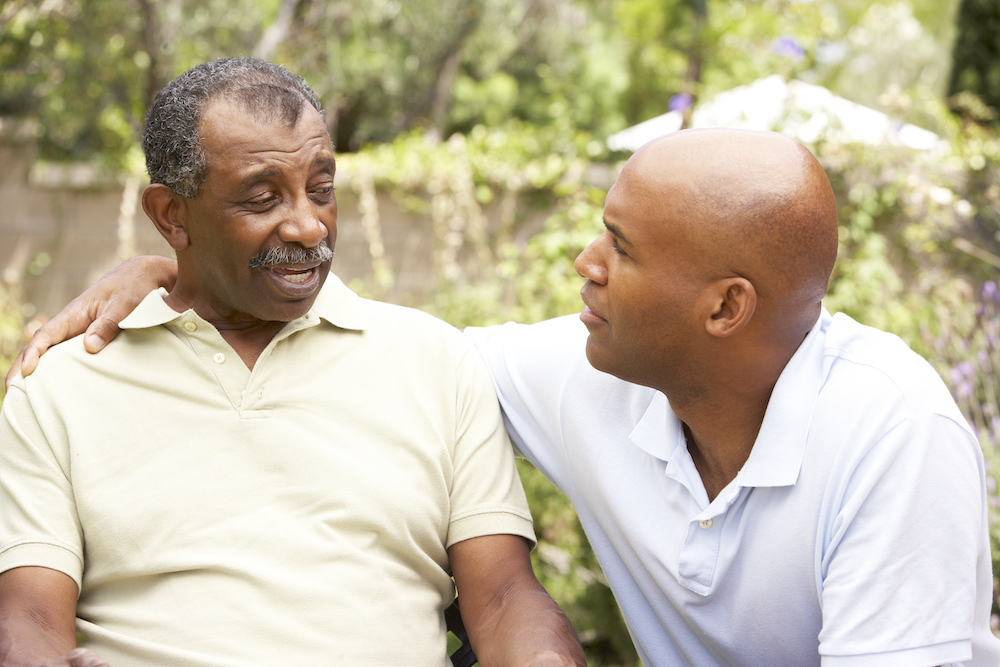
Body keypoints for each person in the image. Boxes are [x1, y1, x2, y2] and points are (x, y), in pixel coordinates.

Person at [8, 128, 999, 666]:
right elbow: (376, 349)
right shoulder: (588, 370)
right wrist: (178, 272)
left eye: (622, 247)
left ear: (724, 307)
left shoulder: (890, 431)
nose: (585, 263)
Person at [0, 58, 585, 667]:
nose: (309, 226)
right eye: (262, 199)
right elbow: (30, 618)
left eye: (322, 190)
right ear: (172, 215)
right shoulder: (61, 388)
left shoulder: (436, 361)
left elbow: (503, 597)